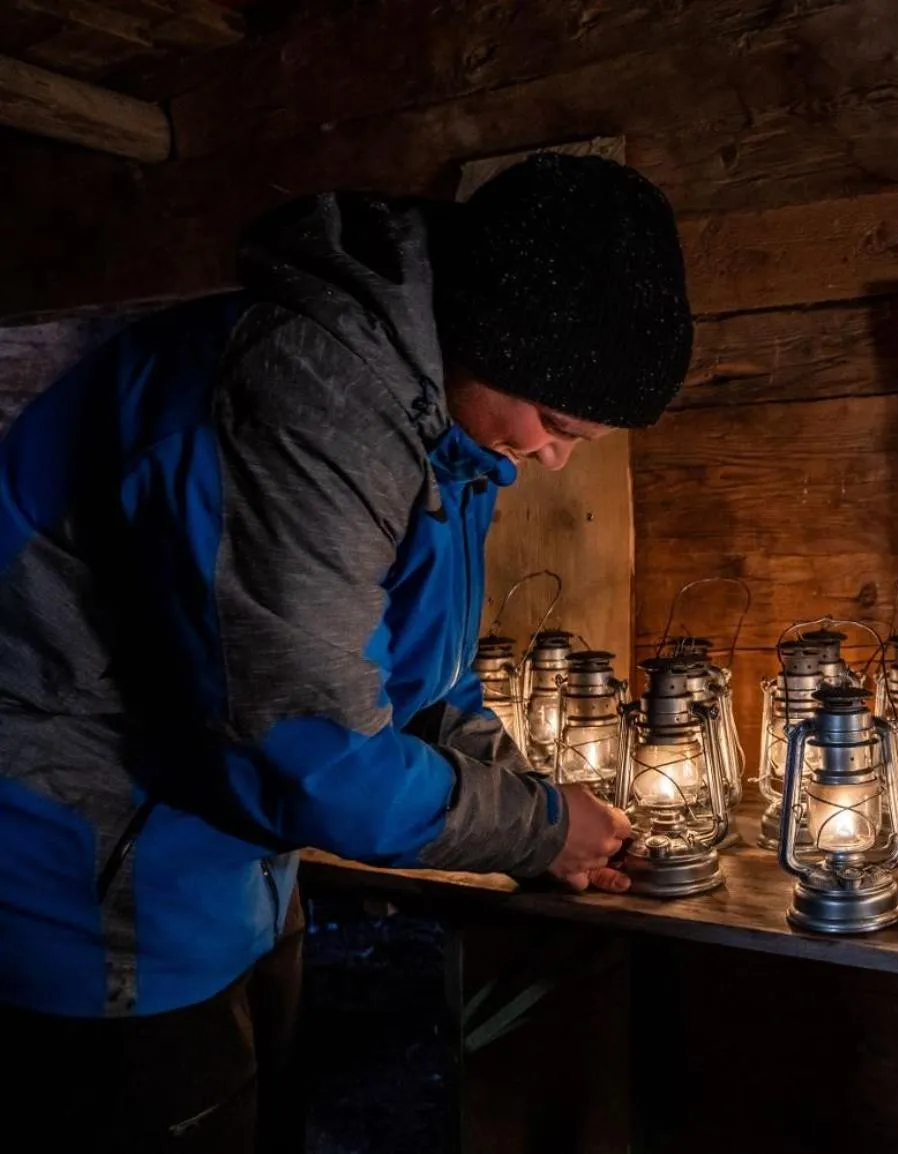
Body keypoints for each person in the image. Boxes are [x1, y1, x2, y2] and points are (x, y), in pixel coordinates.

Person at [0, 154, 693, 1149]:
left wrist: (523, 793)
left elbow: (426, 664)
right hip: (82, 894)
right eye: (559, 425)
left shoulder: (439, 419)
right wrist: (538, 828)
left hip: (223, 868)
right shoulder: (307, 405)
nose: (554, 458)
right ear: (490, 338)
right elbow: (305, 749)